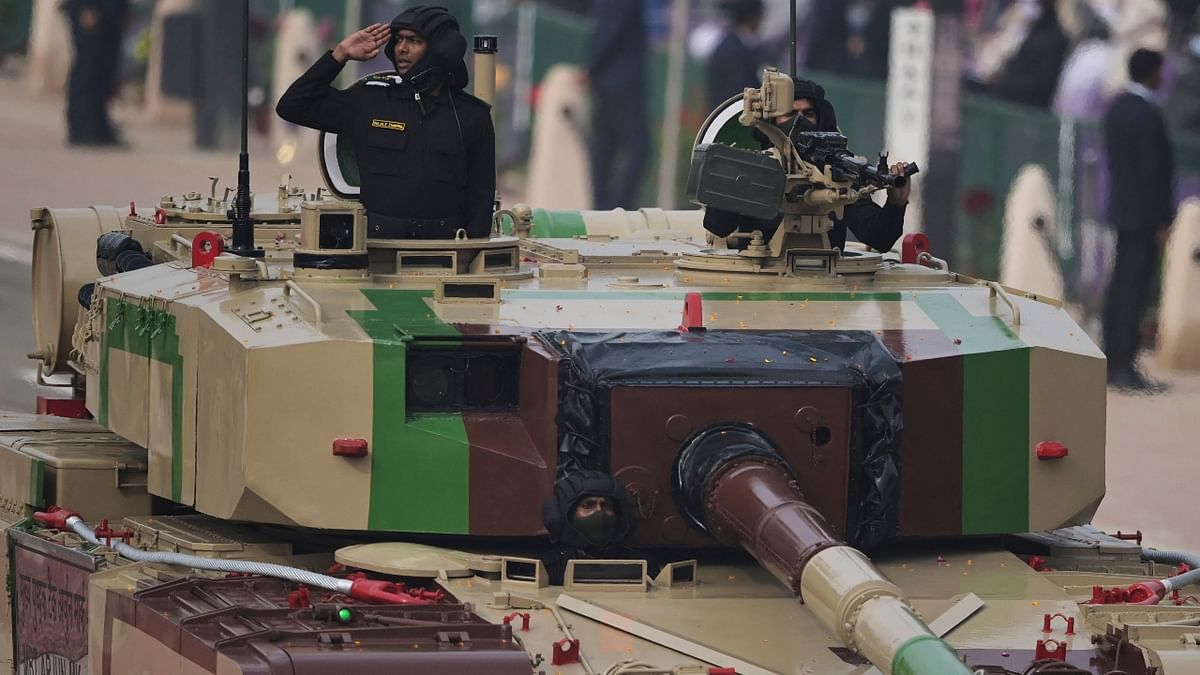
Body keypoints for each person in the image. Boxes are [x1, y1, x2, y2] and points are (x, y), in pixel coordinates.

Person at [275, 6, 495, 239]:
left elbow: (480, 199)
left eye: (414, 41)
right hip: (378, 250)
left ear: (442, 50)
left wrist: (470, 260)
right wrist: (340, 55)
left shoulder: (472, 117)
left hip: (445, 251)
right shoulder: (370, 101)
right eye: (398, 39)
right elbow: (293, 106)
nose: (402, 48)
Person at [702, 79, 912, 253]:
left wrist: (896, 204)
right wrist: (741, 182)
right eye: (790, 114)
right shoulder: (754, 169)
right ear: (772, 122)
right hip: (758, 284)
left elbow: (880, 238)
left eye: (808, 114)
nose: (800, 122)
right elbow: (717, 226)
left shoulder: (836, 173)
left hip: (827, 286)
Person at [1102, 48, 1175, 392]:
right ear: (1152, 73)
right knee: (1134, 290)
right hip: (1144, 216)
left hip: (1122, 210)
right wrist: (1162, 219)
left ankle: (1110, 357)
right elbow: (1153, 172)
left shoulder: (1117, 108)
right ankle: (1124, 365)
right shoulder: (1148, 114)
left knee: (1119, 287)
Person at [585, 0, 649, 210]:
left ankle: (605, 205)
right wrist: (591, 69)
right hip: (621, 83)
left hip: (610, 81)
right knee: (638, 146)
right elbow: (609, 33)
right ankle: (617, 204)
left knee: (606, 146)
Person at [540, 470, 654, 585]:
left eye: (606, 505)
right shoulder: (547, 568)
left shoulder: (643, 566)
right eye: (588, 505)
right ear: (567, 514)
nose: (599, 512)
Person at [63, 0, 129, 147]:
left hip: (110, 10)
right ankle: (81, 127)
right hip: (90, 9)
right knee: (88, 67)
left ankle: (98, 126)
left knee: (104, 70)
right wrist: (88, 6)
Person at [705, 0, 767, 112]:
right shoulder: (732, 50)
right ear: (753, 17)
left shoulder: (749, 46)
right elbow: (737, 92)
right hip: (730, 117)